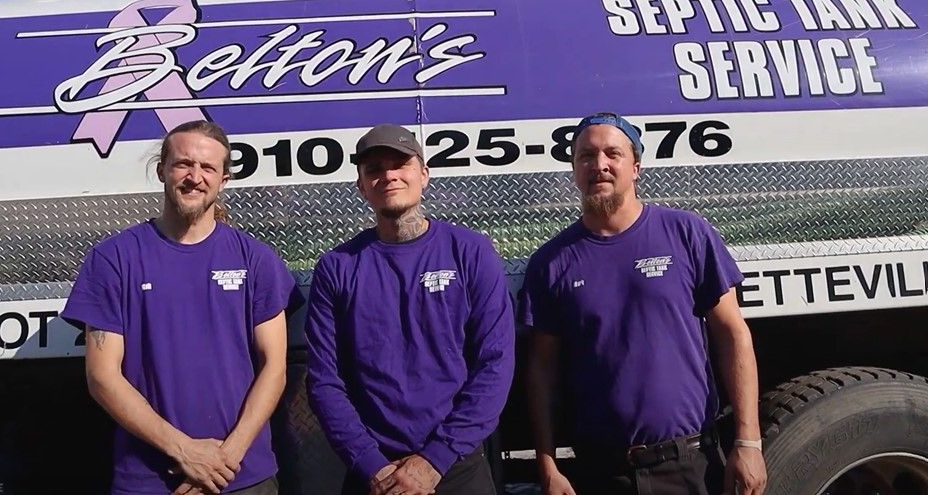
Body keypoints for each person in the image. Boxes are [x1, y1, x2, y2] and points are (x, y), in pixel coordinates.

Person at [519, 113, 767, 495]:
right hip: (602, 472)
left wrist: (748, 443)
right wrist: (547, 466)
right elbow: (541, 371)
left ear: (635, 167)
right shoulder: (551, 263)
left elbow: (733, 335)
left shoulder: (686, 233)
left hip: (689, 465)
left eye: (612, 154)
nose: (598, 165)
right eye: (586, 156)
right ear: (574, 169)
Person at [60, 120, 302, 495]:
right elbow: (102, 377)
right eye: (183, 164)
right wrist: (185, 451)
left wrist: (225, 459)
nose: (195, 177)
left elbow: (275, 368)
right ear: (162, 170)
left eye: (208, 168)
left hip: (243, 477)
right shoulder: (113, 259)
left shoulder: (256, 259)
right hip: (149, 481)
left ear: (224, 179)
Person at [305, 124, 515, 495]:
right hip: (374, 474)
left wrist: (436, 458)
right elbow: (324, 381)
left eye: (400, 164)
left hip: (456, 468)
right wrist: (371, 465)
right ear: (361, 186)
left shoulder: (471, 253)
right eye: (374, 169)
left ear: (424, 174)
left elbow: (494, 364)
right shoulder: (337, 267)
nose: (388, 175)